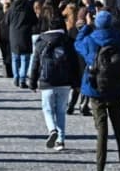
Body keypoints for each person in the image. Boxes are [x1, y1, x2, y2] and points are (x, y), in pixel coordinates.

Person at [75, 9, 120, 171]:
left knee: (102, 131)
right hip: (116, 87)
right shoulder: (118, 38)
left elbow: (77, 43)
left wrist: (86, 26)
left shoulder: (90, 40)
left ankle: (100, 167)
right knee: (119, 130)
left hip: (95, 88)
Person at [28, 16, 80, 151]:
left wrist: (32, 82)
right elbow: (75, 64)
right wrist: (76, 83)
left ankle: (52, 129)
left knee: (47, 109)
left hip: (47, 81)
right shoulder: (68, 41)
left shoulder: (41, 42)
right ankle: (60, 141)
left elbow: (35, 64)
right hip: (64, 82)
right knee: (61, 111)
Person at [9, 0, 37, 88]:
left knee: (15, 58)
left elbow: (6, 21)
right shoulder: (28, 7)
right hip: (25, 34)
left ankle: (16, 77)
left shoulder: (12, 7)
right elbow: (35, 21)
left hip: (13, 34)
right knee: (25, 58)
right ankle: (22, 79)